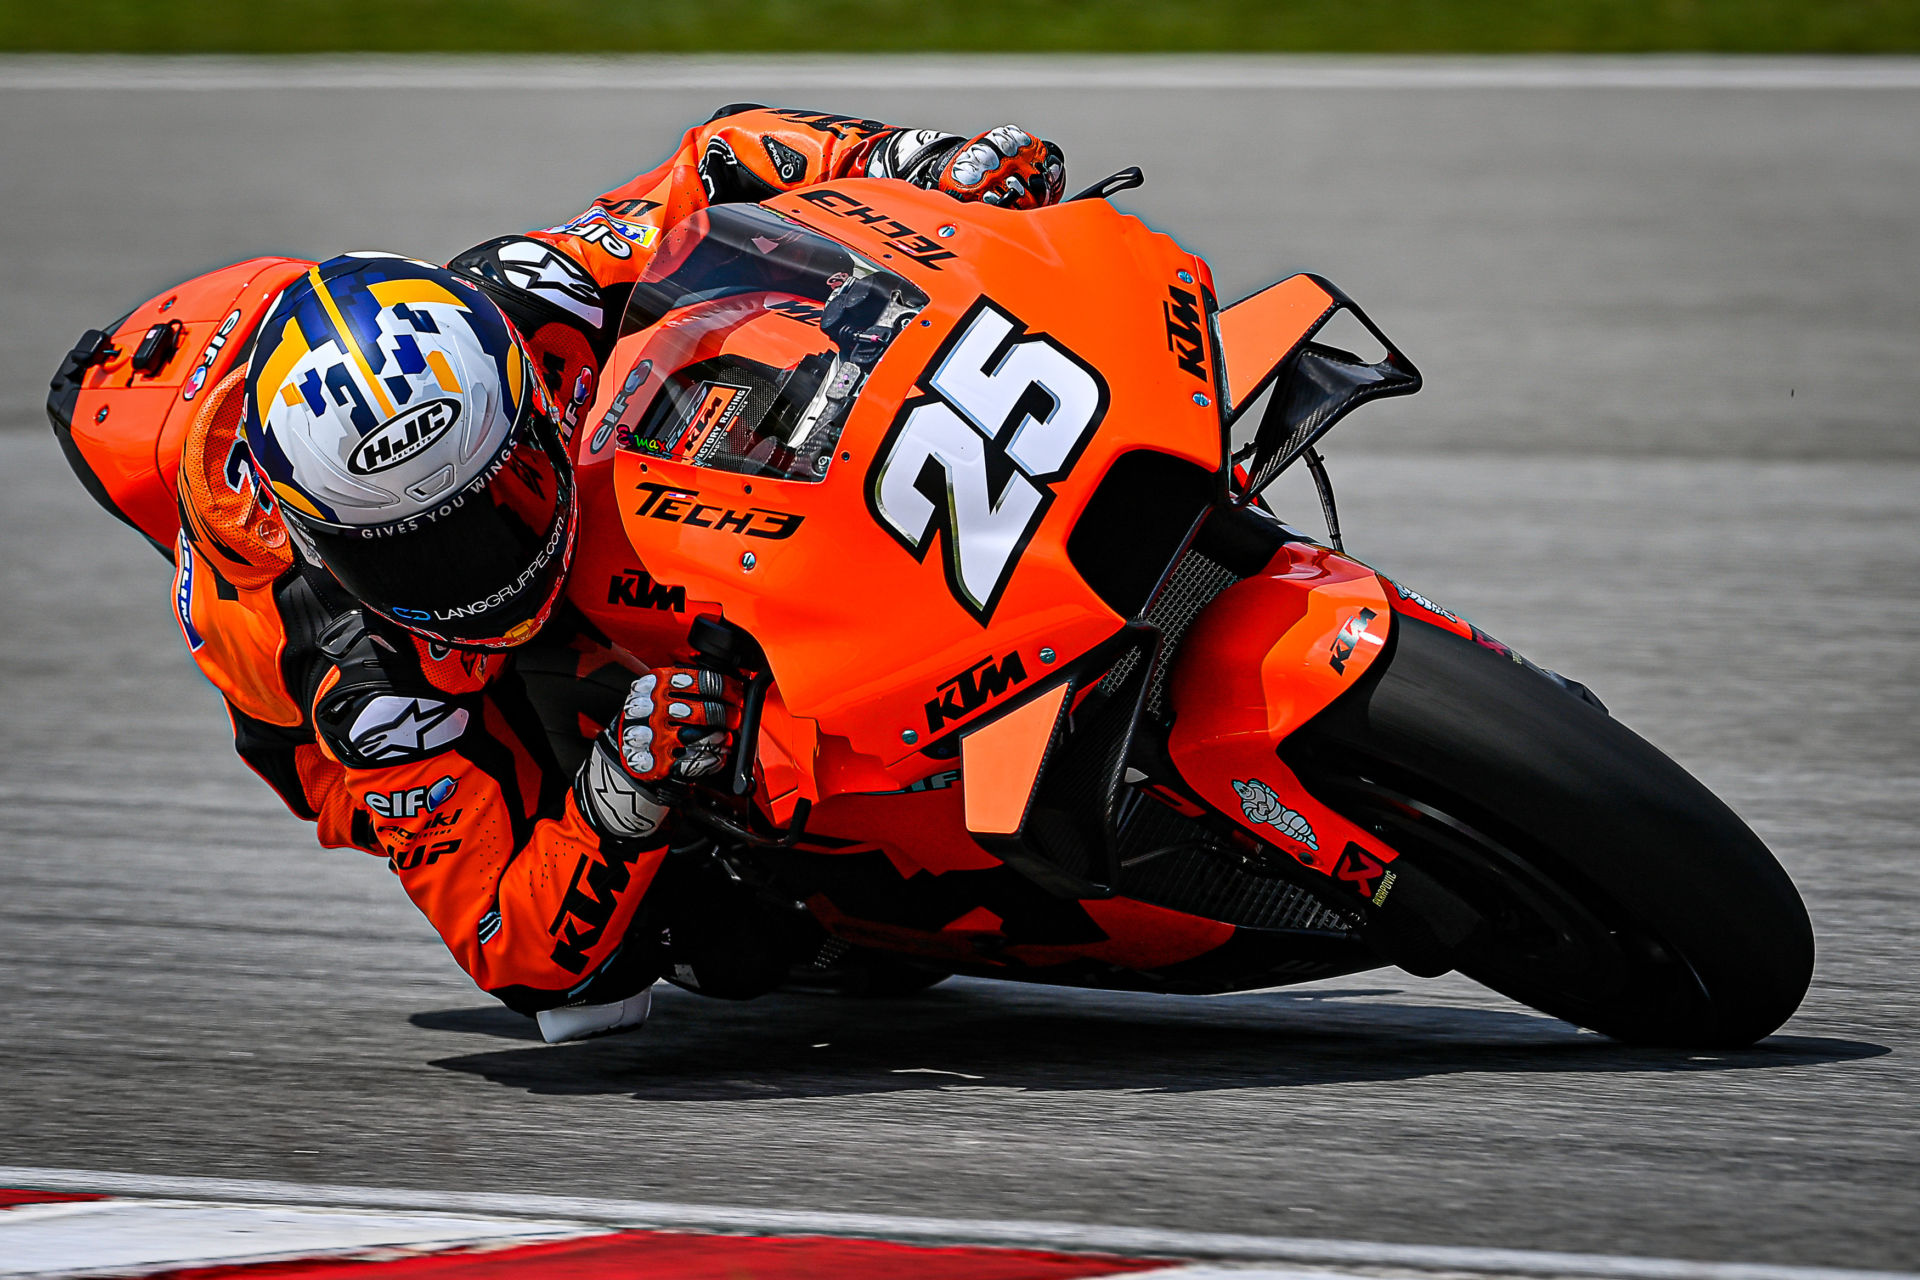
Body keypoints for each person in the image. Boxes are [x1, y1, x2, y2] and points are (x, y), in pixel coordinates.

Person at [167, 106, 1068, 1043]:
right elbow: (504, 939)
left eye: (494, 503)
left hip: (567, 464)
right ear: (324, 543)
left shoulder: (529, 295)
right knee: (645, 972)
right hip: (456, 690)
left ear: (514, 397)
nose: (478, 570)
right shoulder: (367, 693)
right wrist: (622, 791)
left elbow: (721, 156)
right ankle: (825, 903)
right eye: (413, 552)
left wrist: (907, 160)